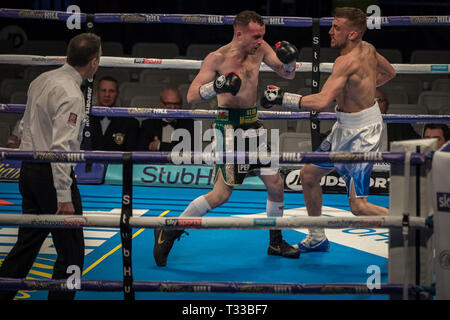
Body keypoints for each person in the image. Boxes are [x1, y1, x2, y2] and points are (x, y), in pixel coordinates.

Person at [153, 10, 300, 267]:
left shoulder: (261, 48)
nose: (260, 40)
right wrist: (217, 86)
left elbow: (287, 74)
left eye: (262, 36)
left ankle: (275, 241)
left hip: (253, 124)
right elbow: (191, 96)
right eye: (255, 36)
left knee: (276, 185)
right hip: (228, 128)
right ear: (239, 32)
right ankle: (170, 229)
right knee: (221, 195)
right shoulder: (217, 58)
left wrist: (289, 62)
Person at [261, 7, 396, 253]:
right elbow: (390, 72)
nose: (330, 31)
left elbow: (322, 102)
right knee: (309, 175)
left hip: (361, 136)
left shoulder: (345, 62)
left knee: (359, 207)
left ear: (353, 33)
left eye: (337, 28)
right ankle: (317, 236)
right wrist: (360, 92)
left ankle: (412, 225)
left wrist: (282, 97)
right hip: (344, 127)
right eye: (332, 26)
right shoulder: (368, 48)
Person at [0, 33, 101, 300]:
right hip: (51, 177)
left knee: (27, 244)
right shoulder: (71, 94)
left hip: (30, 170)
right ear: (93, 62)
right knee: (72, 253)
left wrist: (26, 165)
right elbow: (61, 148)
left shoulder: (41, 80)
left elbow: (25, 128)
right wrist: (64, 196)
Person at [83, 76, 139, 151]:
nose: (107, 95)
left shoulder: (130, 122)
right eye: (103, 90)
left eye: (111, 91)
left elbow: (130, 153)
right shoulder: (85, 117)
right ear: (97, 92)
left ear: (117, 94)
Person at [138, 86, 194, 152]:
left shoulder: (190, 124)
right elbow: (141, 152)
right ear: (160, 104)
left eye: (177, 104)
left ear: (181, 105)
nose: (172, 108)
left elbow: (191, 153)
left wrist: (160, 146)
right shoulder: (148, 124)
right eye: (168, 104)